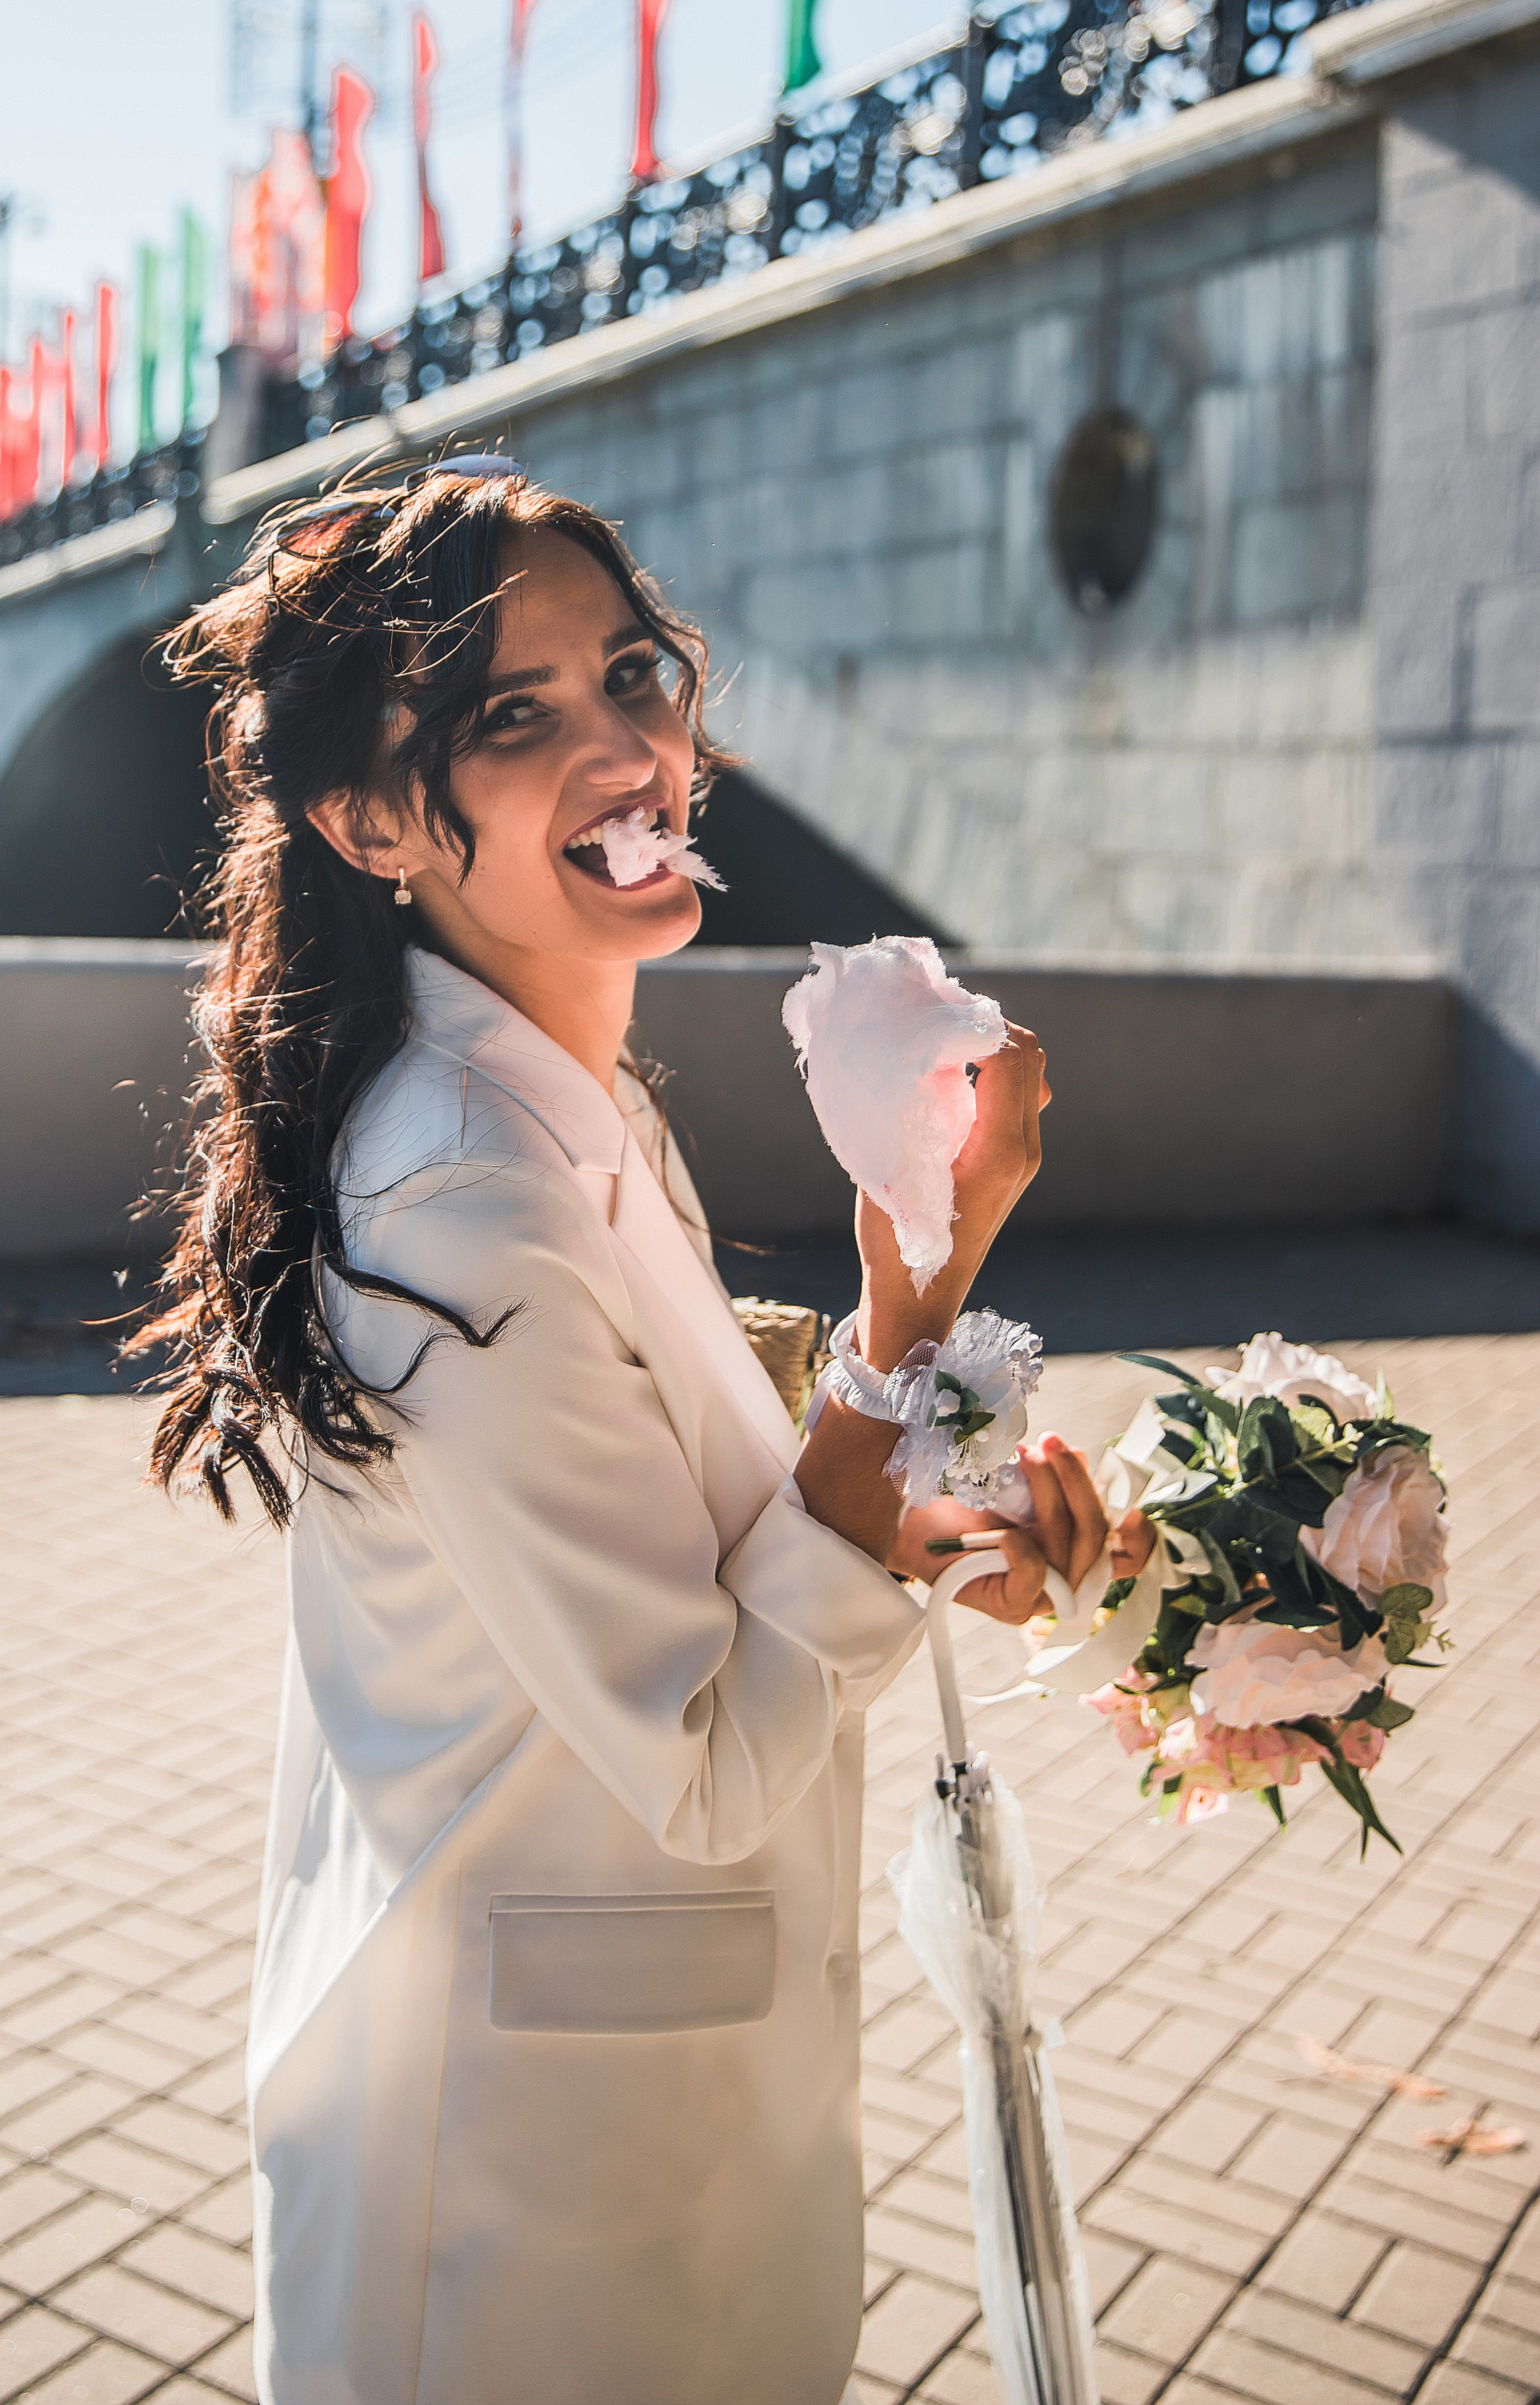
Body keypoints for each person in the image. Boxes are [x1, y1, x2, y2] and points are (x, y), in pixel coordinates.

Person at [140, 463, 1119, 2405]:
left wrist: (950, 1504)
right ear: (368, 819)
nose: (631, 748)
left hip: (643, 2123)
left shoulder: (576, 1094)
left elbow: (709, 1522)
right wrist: (923, 1270)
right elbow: (702, 1745)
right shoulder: (460, 1191)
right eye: (516, 717)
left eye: (637, 676)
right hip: (514, 2197)